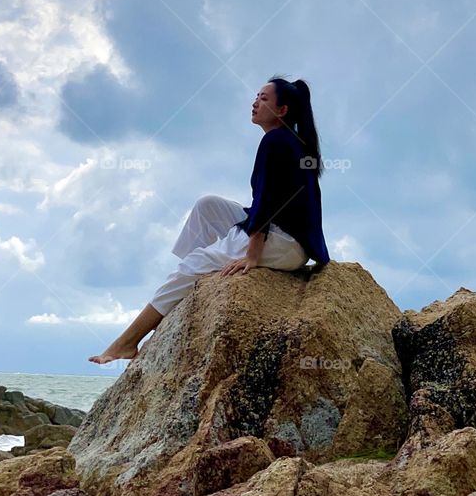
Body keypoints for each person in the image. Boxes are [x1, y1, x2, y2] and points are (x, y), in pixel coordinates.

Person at [88, 75, 330, 365]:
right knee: (208, 206)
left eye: (264, 99)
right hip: (287, 238)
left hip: (285, 242)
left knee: (195, 264)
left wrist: (252, 255)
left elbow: (267, 204)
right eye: (256, 96)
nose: (255, 102)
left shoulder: (277, 141)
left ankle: (126, 343)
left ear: (282, 111)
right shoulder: (289, 140)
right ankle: (187, 282)